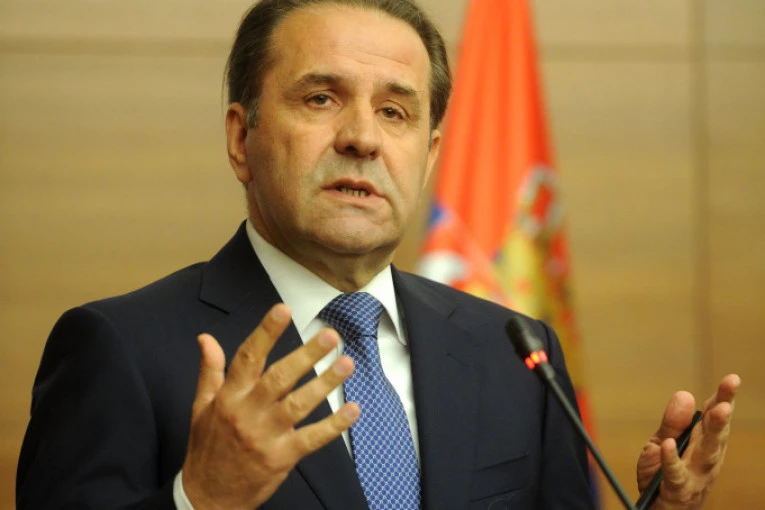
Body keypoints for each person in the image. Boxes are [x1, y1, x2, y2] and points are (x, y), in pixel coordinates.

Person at [16, 0, 740, 509]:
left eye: (394, 112)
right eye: (321, 99)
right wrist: (198, 501)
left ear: (428, 156)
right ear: (241, 138)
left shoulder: (513, 350)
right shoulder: (119, 348)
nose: (363, 138)